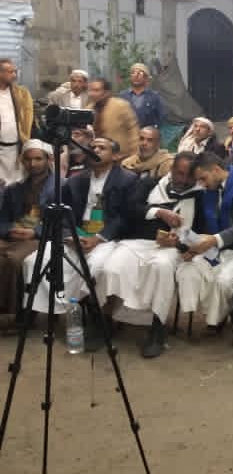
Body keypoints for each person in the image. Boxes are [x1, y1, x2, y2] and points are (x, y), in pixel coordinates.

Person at [23, 138, 137, 348]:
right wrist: (69, 236)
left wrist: (98, 238)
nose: (95, 150)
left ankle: (100, 320)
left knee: (97, 268)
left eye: (102, 148)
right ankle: (46, 311)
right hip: (75, 236)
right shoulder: (76, 180)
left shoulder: (128, 180)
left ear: (115, 156)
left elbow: (125, 217)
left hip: (107, 239)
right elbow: (62, 214)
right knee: (35, 261)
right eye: (92, 147)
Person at [100, 152, 203, 358]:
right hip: (136, 242)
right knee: (111, 267)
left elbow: (202, 232)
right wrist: (158, 212)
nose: (183, 180)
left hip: (171, 249)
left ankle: (158, 329)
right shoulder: (150, 184)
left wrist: (179, 242)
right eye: (179, 173)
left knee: (162, 267)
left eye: (189, 176)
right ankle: (104, 321)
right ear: (171, 169)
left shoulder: (201, 195)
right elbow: (129, 209)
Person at [176, 152, 233, 329]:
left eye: (203, 178)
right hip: (217, 248)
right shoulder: (208, 190)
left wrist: (216, 239)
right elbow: (204, 226)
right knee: (188, 269)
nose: (202, 184)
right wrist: (193, 246)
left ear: (216, 170)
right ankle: (219, 311)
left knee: (223, 281)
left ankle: (223, 311)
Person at [0, 140, 55, 334]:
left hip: (41, 237)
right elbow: (3, 219)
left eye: (38, 159)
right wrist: (9, 230)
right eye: (28, 159)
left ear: (49, 159)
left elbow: (64, 223)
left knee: (14, 259)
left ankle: (19, 316)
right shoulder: (14, 189)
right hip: (14, 235)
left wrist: (35, 232)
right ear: (22, 161)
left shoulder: (61, 187)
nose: (33, 164)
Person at [0, 58, 35, 187]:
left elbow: (27, 118)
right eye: (10, 72)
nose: (14, 75)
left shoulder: (22, 93)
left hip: (16, 148)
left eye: (15, 71)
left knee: (17, 184)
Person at [89, 77, 139, 158]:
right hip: (98, 157)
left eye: (96, 90)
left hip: (121, 156)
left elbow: (134, 130)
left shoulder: (121, 106)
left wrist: (134, 155)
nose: (92, 94)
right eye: (90, 90)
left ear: (107, 92)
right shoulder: (89, 109)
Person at [119, 63, 164, 129]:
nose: (136, 76)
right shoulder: (122, 96)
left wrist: (153, 130)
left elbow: (161, 118)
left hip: (147, 134)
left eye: (140, 73)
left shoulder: (154, 97)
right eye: (133, 73)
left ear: (146, 78)